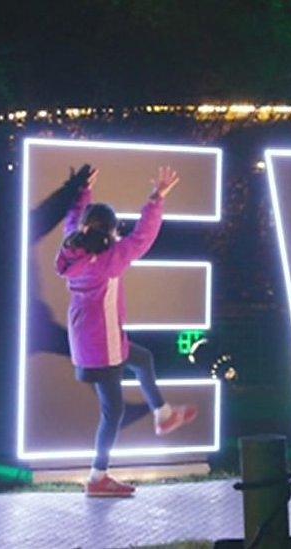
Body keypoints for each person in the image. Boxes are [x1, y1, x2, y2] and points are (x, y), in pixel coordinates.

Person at [56, 165, 199, 498]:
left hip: (88, 341)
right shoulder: (111, 260)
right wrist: (157, 197)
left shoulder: (72, 248)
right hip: (103, 347)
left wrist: (83, 193)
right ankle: (97, 477)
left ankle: (162, 415)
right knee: (113, 412)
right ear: (110, 232)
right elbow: (143, 237)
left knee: (143, 358)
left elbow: (75, 219)